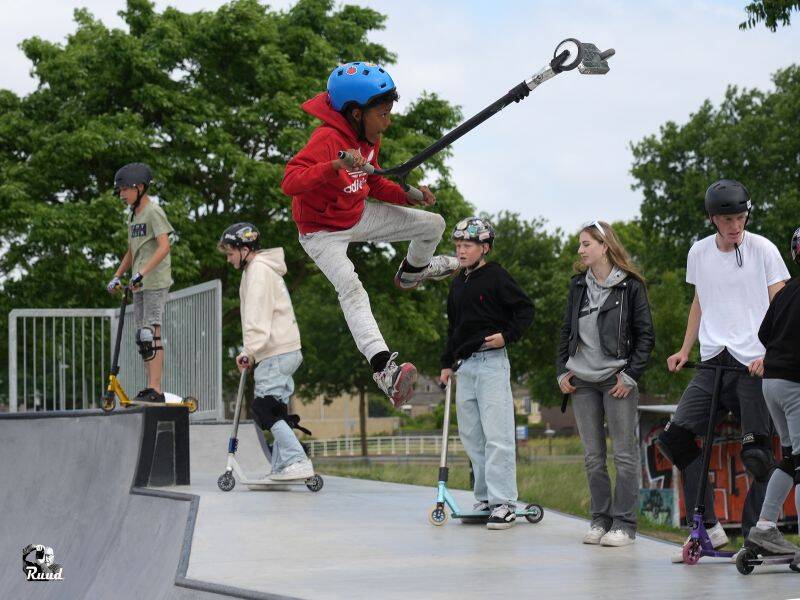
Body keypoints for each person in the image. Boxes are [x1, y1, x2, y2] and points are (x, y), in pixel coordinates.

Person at [281, 62, 459, 407]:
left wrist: (407, 194)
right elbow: (290, 181)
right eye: (382, 114)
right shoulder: (327, 139)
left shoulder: (368, 139)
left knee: (433, 223)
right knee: (351, 287)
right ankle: (383, 369)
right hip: (320, 233)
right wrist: (334, 166)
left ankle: (413, 272)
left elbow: (374, 180)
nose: (387, 122)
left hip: (358, 214)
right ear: (356, 113)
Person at [659, 179, 789, 562]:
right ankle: (710, 529)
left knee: (757, 456)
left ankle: (756, 535)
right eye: (728, 219)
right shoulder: (698, 252)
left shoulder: (763, 248)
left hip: (754, 363)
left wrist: (773, 354)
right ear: (713, 219)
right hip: (713, 361)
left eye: (741, 218)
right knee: (675, 439)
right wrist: (685, 348)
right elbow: (701, 299)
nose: (736, 226)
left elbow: (781, 304)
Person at [556, 220, 654, 546]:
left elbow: (645, 337)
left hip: (617, 380)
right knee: (593, 456)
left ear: (604, 246)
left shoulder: (631, 287)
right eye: (580, 244)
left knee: (624, 455)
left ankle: (624, 525)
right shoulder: (576, 286)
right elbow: (566, 332)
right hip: (581, 381)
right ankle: (600, 519)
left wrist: (630, 376)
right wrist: (561, 371)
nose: (580, 250)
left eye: (586, 244)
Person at [439, 217, 533, 529]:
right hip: (465, 366)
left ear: (484, 247)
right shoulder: (457, 283)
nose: (461, 251)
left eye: (467, 245)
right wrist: (445, 363)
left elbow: (525, 309)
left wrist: (508, 335)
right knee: (472, 436)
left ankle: (504, 502)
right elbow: (454, 328)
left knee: (498, 435)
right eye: (458, 246)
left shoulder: (496, 276)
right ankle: (484, 497)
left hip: (492, 363)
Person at [219, 222, 314, 481]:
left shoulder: (258, 271)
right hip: (283, 349)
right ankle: (283, 466)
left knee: (263, 410)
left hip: (275, 352)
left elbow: (257, 315)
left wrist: (248, 350)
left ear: (245, 249)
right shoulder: (259, 269)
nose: (228, 260)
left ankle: (297, 460)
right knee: (276, 410)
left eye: (230, 253)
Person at [747, 226, 800, 562]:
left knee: (791, 457)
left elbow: (764, 333)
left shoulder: (787, 291)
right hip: (795, 385)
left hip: (772, 384)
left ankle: (764, 527)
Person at [107, 163, 173, 403]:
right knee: (142, 337)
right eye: (120, 190)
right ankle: (150, 386)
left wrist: (142, 273)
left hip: (154, 280)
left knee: (150, 332)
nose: (122, 194)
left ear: (140, 187)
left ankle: (156, 388)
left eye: (125, 189)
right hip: (139, 282)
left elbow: (164, 246)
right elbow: (132, 251)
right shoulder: (133, 216)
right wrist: (117, 275)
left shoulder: (153, 212)